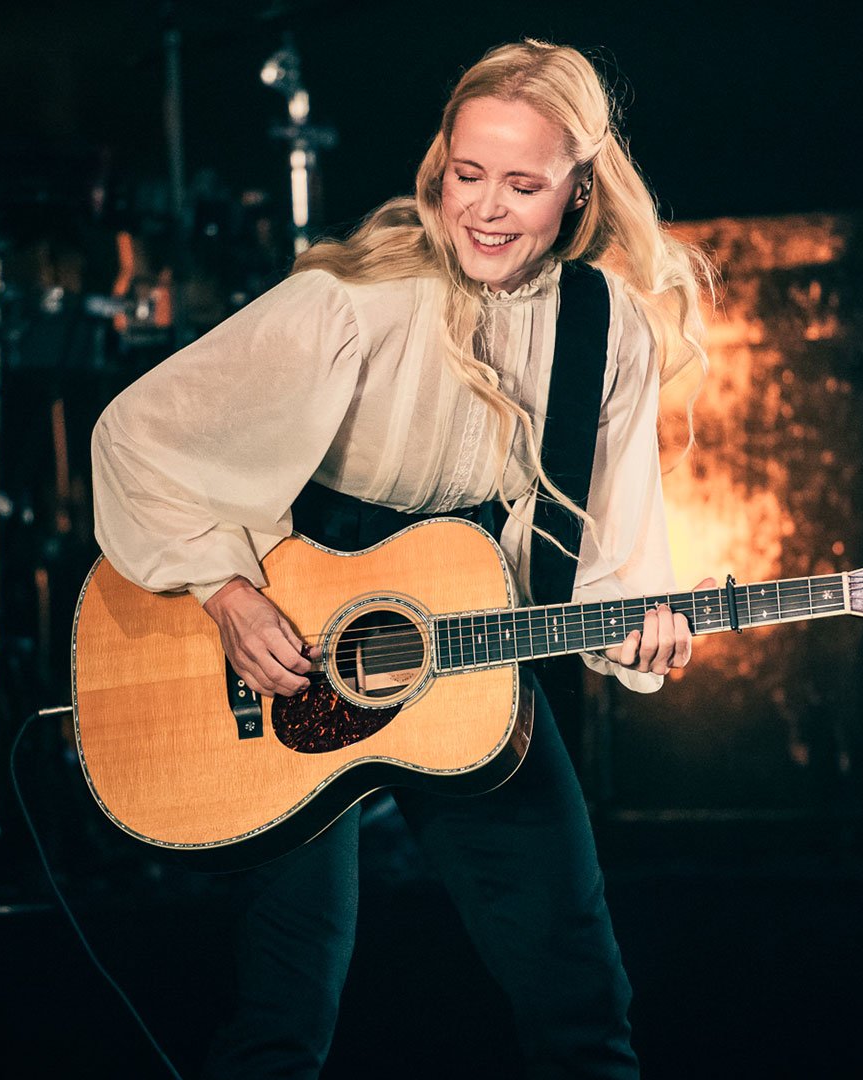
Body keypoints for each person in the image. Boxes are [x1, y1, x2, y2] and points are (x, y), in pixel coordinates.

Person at [89, 39, 715, 1078]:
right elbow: (136, 435)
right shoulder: (355, 305)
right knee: (283, 1015)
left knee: (582, 998)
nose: (486, 209)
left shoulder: (610, 333)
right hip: (292, 641)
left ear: (579, 187)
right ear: (440, 167)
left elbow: (616, 555)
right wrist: (228, 593)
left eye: (523, 184)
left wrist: (645, 628)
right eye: (468, 175)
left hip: (468, 652)